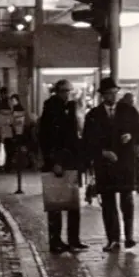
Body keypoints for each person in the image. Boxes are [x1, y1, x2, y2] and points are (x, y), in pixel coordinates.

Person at [83, 78, 139, 252]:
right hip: (105, 165)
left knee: (127, 200)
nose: (112, 96)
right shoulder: (93, 115)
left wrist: (130, 135)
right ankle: (113, 239)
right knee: (108, 203)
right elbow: (88, 141)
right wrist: (102, 152)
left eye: (114, 92)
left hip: (125, 163)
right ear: (102, 95)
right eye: (109, 93)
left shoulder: (129, 111)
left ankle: (129, 237)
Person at [38, 80, 87, 254]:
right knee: (56, 204)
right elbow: (47, 137)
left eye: (70, 91)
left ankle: (74, 239)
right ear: (57, 92)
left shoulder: (72, 108)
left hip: (71, 161)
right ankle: (56, 240)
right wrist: (54, 161)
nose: (68, 94)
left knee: (73, 204)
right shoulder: (51, 109)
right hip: (58, 163)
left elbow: (75, 134)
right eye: (65, 91)